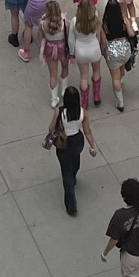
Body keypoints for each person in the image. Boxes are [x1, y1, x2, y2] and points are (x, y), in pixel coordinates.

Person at [50, 87, 97, 215]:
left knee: (66, 173)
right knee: (75, 161)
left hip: (64, 142)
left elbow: (50, 128)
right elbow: (87, 131)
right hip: (77, 141)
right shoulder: (83, 113)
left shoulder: (59, 112)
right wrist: (92, 146)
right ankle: (74, 175)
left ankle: (71, 206)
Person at [66, 0, 103, 110]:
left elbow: (71, 40)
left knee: (84, 76)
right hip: (94, 48)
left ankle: (85, 102)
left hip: (81, 51)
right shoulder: (95, 17)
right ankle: (96, 96)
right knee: (96, 71)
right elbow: (98, 34)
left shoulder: (74, 21)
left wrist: (71, 53)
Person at [37, 0, 70, 109]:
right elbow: (68, 35)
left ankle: (54, 99)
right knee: (65, 67)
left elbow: (40, 37)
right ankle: (64, 91)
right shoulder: (64, 21)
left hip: (50, 48)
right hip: (62, 47)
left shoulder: (43, 23)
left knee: (53, 74)